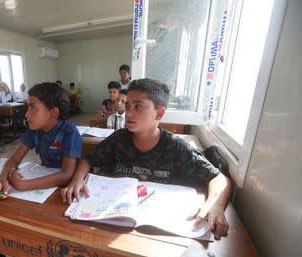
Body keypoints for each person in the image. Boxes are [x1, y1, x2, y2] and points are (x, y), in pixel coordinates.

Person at [61, 78, 231, 240]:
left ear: (159, 113)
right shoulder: (119, 139)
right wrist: (77, 179)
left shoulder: (176, 147)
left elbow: (219, 178)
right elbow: (88, 160)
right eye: (128, 106)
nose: (129, 113)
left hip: (157, 226)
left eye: (138, 106)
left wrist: (215, 205)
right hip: (117, 219)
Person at [0, 82, 82, 257]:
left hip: (61, 195)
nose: (27, 113)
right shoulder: (34, 131)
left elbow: (67, 174)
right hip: (39, 191)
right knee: (13, 225)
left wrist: (22, 185)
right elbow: (13, 159)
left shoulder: (69, 131)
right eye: (27, 107)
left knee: (47, 237)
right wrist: (3, 178)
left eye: (33, 107)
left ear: (53, 113)